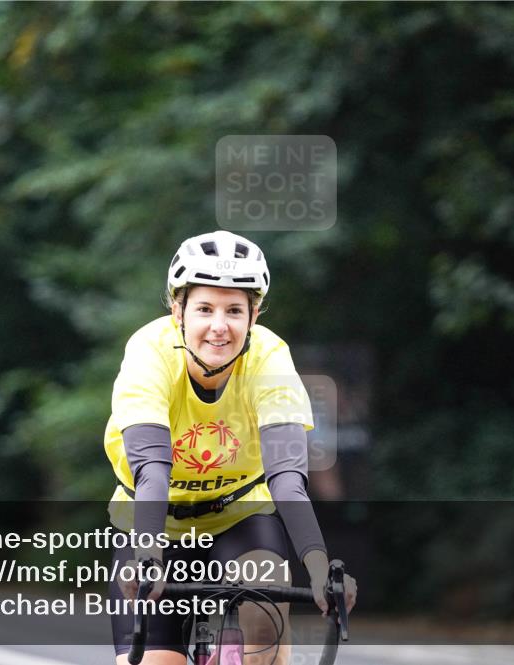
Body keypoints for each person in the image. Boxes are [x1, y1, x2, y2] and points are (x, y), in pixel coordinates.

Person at [104, 230, 356, 665]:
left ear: (254, 315)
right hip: (155, 523)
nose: (219, 326)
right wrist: (148, 557)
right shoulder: (149, 353)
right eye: (205, 308)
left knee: (265, 619)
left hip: (241, 519)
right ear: (178, 310)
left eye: (234, 310)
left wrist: (319, 571)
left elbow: (287, 479)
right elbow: (152, 470)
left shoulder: (270, 359)